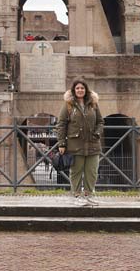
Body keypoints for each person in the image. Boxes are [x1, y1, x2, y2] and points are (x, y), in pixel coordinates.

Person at [54, 77, 104, 205]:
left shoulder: (93, 104)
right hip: (75, 145)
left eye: (82, 88)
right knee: (76, 171)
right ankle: (76, 195)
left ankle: (89, 194)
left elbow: (100, 121)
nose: (80, 90)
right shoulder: (68, 105)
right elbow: (61, 124)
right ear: (74, 90)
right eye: (77, 88)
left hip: (93, 144)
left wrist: (97, 133)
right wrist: (62, 143)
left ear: (86, 90)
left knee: (92, 171)